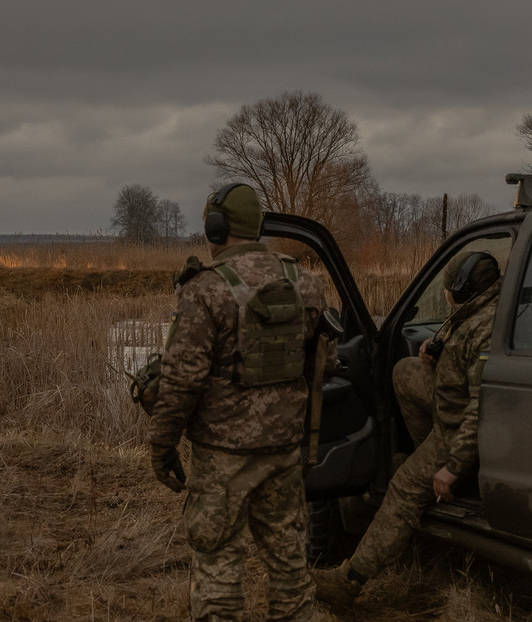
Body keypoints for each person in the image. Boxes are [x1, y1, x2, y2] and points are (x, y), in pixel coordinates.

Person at [148, 182, 332, 621]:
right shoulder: (304, 284)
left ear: (216, 228)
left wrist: (162, 446)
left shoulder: (206, 290)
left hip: (222, 458)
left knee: (218, 567)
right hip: (284, 452)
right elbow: (322, 365)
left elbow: (181, 381)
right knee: (289, 566)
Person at [313, 250, 501, 609]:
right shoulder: (482, 309)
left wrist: (453, 465)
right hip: (451, 404)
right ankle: (425, 458)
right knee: (404, 371)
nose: (446, 293)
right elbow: (460, 362)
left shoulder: (485, 332)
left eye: (448, 286)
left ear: (461, 289)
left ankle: (349, 581)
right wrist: (434, 352)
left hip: (458, 429)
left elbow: (482, 408)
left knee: (402, 487)